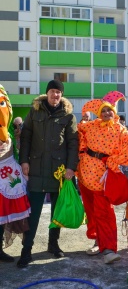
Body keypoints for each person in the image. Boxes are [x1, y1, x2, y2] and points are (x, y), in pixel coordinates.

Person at [17, 79, 79, 268]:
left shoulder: (68, 115)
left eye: (58, 92)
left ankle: (53, 244)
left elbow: (73, 143)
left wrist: (70, 167)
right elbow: (25, 137)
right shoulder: (35, 111)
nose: (55, 95)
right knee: (33, 213)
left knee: (56, 212)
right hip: (35, 169)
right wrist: (24, 161)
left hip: (58, 172)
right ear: (47, 93)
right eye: (52, 91)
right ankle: (26, 250)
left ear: (62, 95)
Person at [76, 91, 128, 264]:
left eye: (109, 110)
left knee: (105, 212)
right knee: (91, 211)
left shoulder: (120, 130)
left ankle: (109, 248)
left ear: (114, 111)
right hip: (85, 172)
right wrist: (80, 153)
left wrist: (112, 161)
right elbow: (78, 134)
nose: (106, 114)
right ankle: (97, 240)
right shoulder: (91, 125)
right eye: (103, 111)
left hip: (103, 177)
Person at [0, 84, 30, 263]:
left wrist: (19, 136)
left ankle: (27, 250)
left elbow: (19, 148)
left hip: (13, 179)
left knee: (22, 214)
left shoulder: (10, 130)